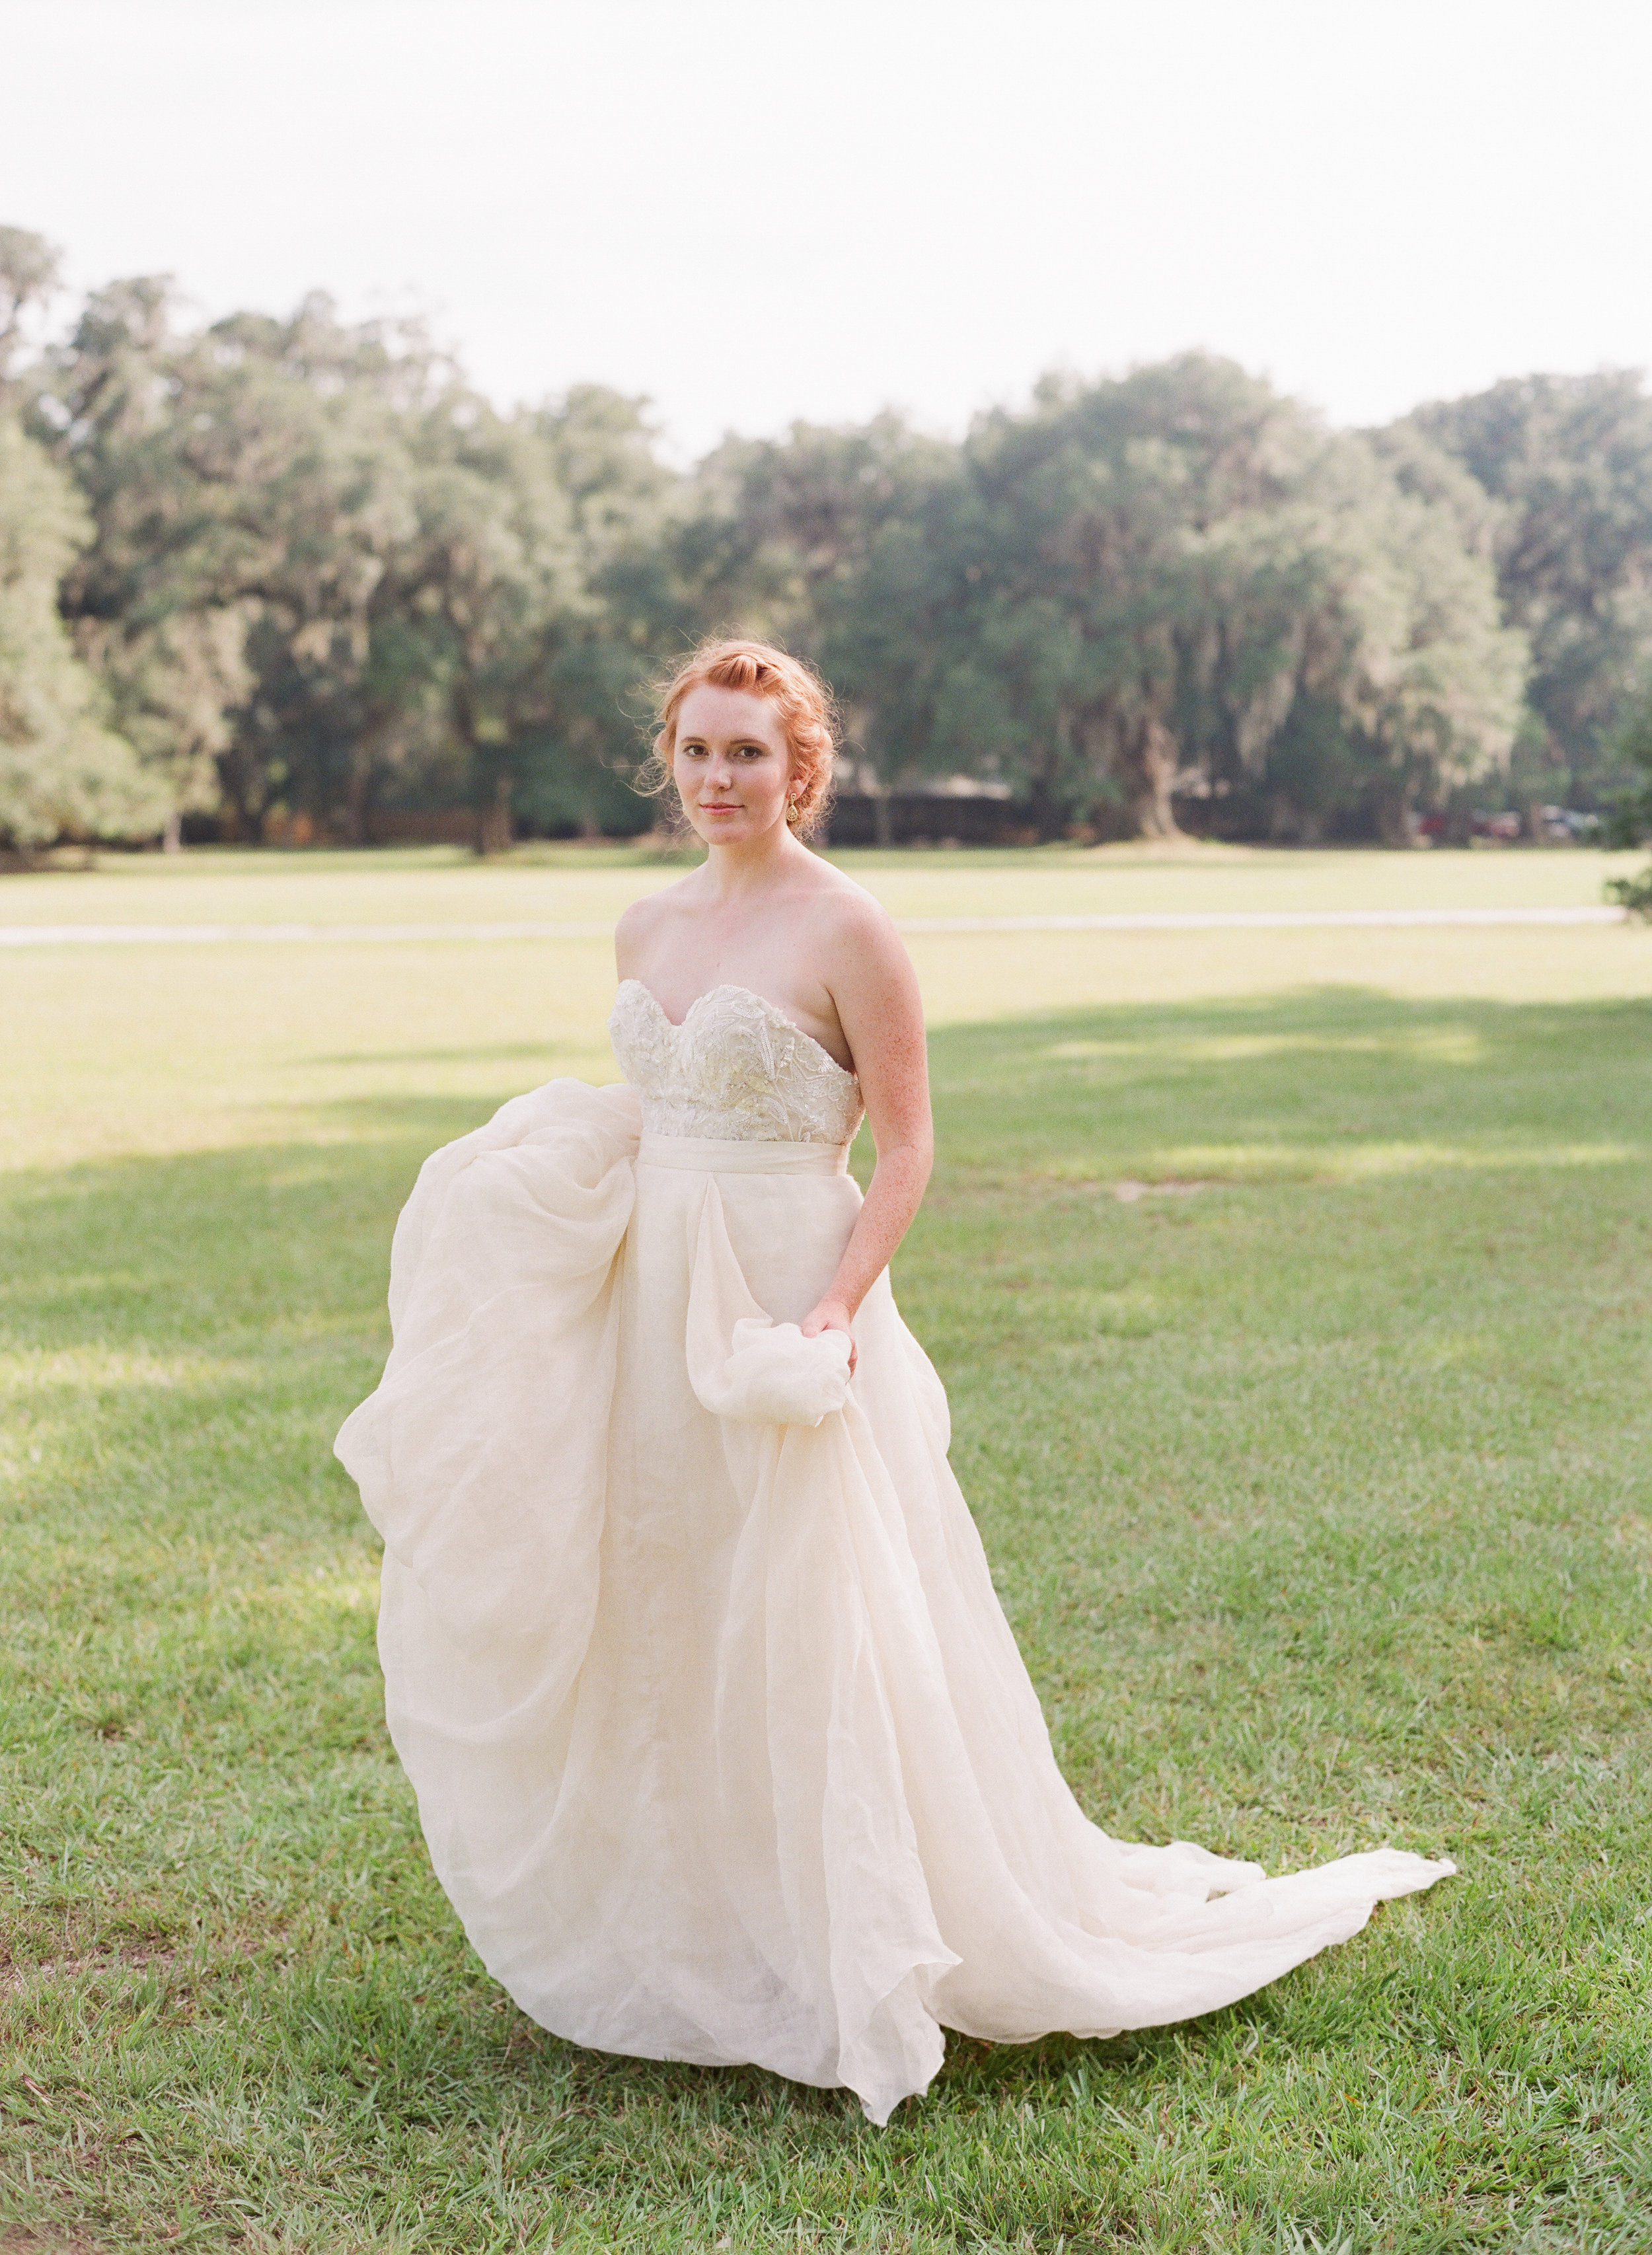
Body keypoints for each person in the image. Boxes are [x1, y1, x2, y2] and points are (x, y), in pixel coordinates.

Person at [335, 638, 1453, 2127]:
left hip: (795, 1291)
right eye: (696, 749)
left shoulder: (847, 928)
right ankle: (697, 1921)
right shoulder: (638, 927)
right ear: (664, 760)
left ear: (801, 766)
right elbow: (661, 1104)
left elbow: (907, 1149)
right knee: (668, 1601)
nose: (719, 776)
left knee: (814, 1616)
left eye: (748, 752)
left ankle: (852, 1936)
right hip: (652, 1297)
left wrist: (830, 1317)